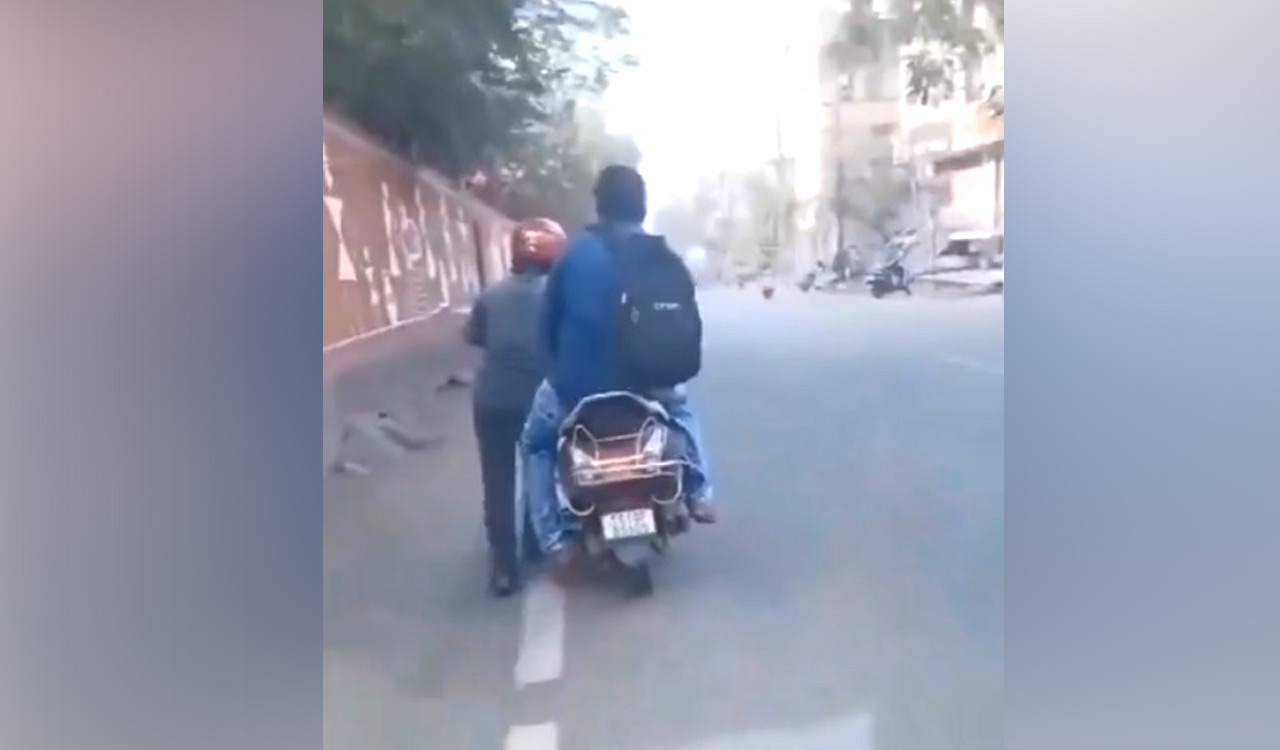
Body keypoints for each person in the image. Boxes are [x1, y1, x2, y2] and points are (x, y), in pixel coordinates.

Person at [520, 165, 717, 581]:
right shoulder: (661, 255)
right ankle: (700, 492)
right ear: (641, 205)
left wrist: (557, 372)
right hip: (650, 387)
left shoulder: (573, 255)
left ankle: (555, 540)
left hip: (579, 390)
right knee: (682, 410)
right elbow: (687, 325)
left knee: (536, 444)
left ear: (600, 205)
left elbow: (546, 328)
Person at [464, 217, 566, 596]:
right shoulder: (557, 296)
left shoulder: (490, 296)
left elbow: (474, 336)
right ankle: (535, 542)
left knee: (497, 482)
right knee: (539, 465)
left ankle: (503, 569)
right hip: (539, 400)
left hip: (491, 400)